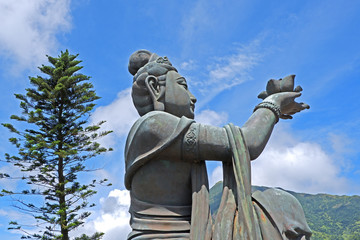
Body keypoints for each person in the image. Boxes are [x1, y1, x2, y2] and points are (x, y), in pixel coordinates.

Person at [124, 50, 312, 239]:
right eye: (183, 86)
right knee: (279, 204)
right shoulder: (153, 126)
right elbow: (246, 143)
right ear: (155, 87)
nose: (193, 97)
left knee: (275, 204)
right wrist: (272, 104)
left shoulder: (160, 129)